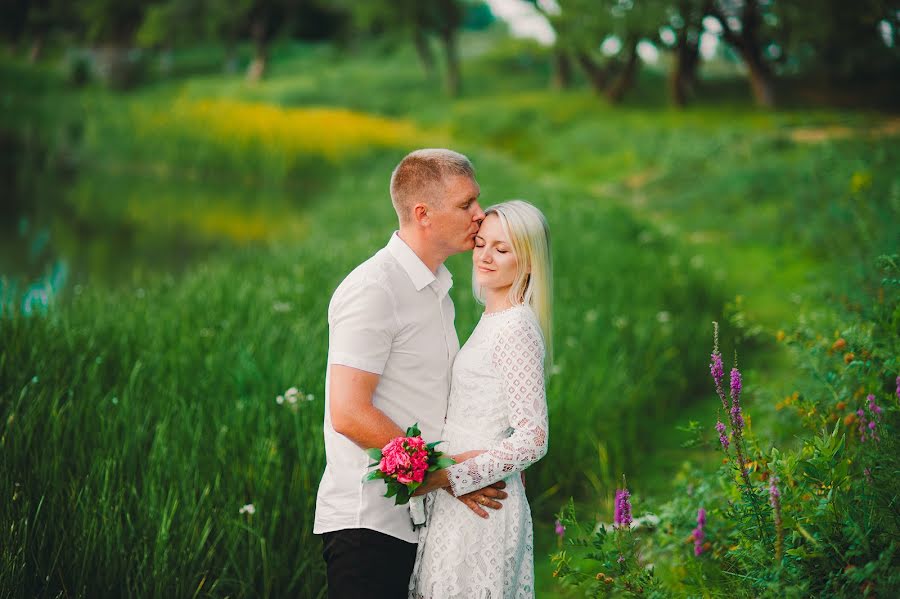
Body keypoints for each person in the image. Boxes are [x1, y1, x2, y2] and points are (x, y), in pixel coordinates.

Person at [313, 149, 510, 599]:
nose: (480, 215)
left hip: (423, 520)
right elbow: (348, 413)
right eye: (466, 205)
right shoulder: (374, 288)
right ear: (423, 213)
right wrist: (446, 475)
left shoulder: (438, 290)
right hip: (369, 527)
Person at [409, 200, 552, 599]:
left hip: (481, 503)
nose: (485, 257)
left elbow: (533, 438)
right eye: (481, 244)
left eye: (502, 249)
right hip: (462, 500)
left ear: (527, 262)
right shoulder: (492, 320)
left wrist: (450, 478)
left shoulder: (515, 327)